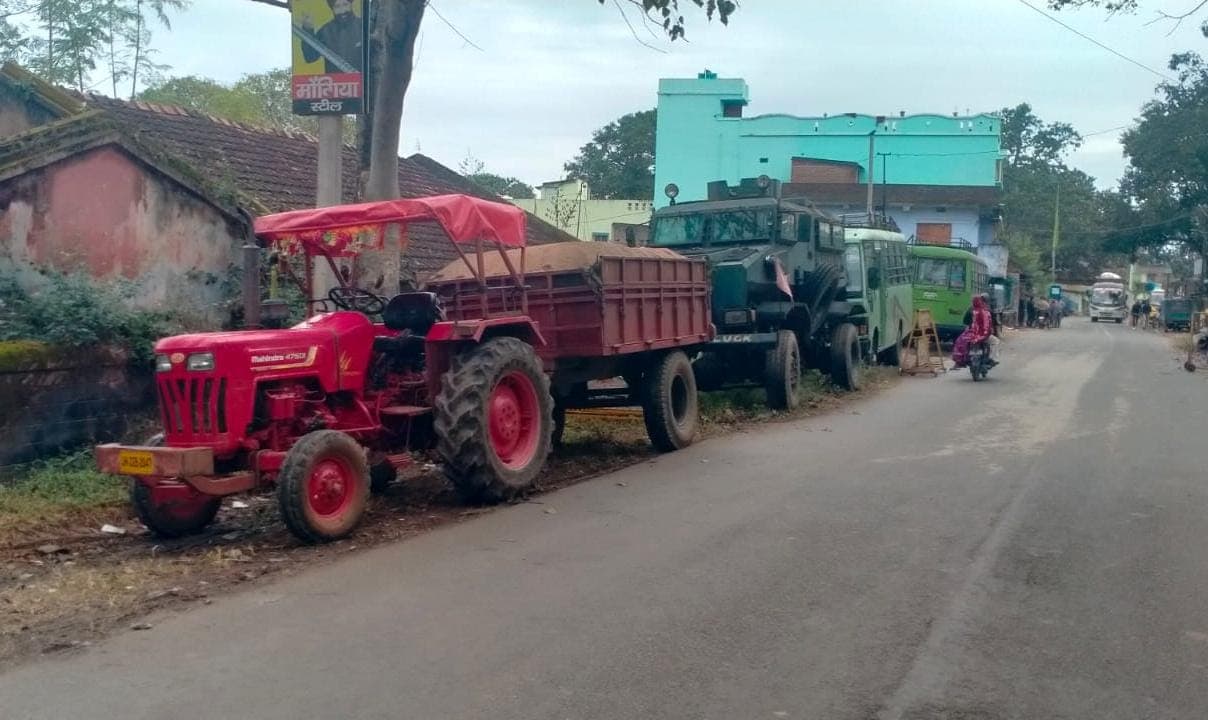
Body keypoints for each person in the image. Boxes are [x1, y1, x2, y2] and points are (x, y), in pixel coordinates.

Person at [297, 0, 364, 74]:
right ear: (332, 8)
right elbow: (310, 57)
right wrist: (308, 29)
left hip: (364, 83)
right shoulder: (325, 31)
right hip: (336, 83)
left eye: (345, 4)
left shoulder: (364, 26)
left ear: (351, 4)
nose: (342, 10)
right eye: (337, 6)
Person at [952, 295, 995, 368]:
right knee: (995, 342)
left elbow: (965, 321)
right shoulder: (987, 311)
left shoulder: (971, 309)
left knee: (960, 342)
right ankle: (990, 358)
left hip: (971, 334)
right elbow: (990, 324)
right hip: (983, 335)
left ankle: (959, 361)